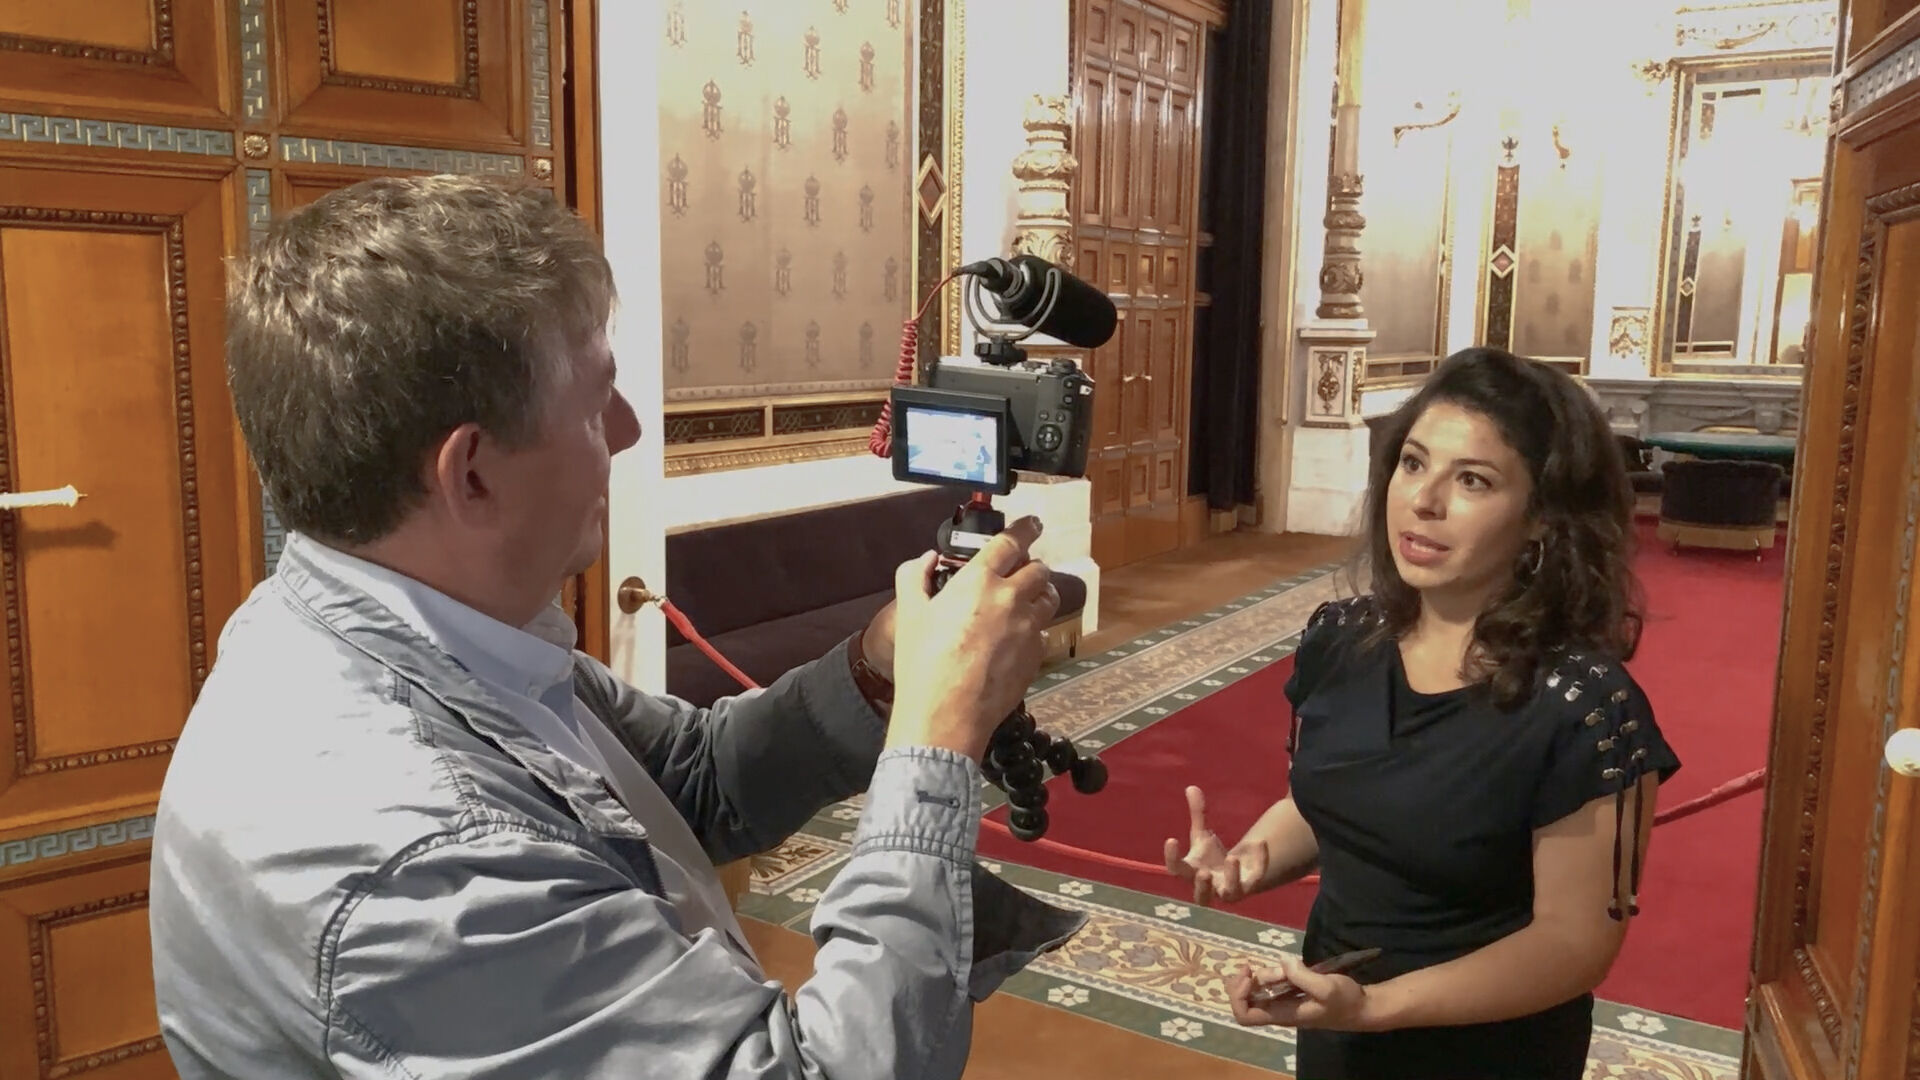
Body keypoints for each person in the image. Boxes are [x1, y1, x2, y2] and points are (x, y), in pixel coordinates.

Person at [148, 174, 1085, 1079]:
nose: (631, 430)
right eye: (598, 401)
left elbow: (690, 781)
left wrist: (878, 675)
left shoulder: (426, 631)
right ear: (470, 474)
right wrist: (934, 742)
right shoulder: (419, 863)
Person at [1163, 347, 1681, 1079]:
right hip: (1338, 1027)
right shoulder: (1340, 640)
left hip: (1485, 1052)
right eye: (1413, 463)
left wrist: (1377, 1006)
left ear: (1542, 518)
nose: (1423, 500)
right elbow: (1328, 799)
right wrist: (1249, 861)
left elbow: (1573, 947)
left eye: (1472, 480)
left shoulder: (1587, 711)